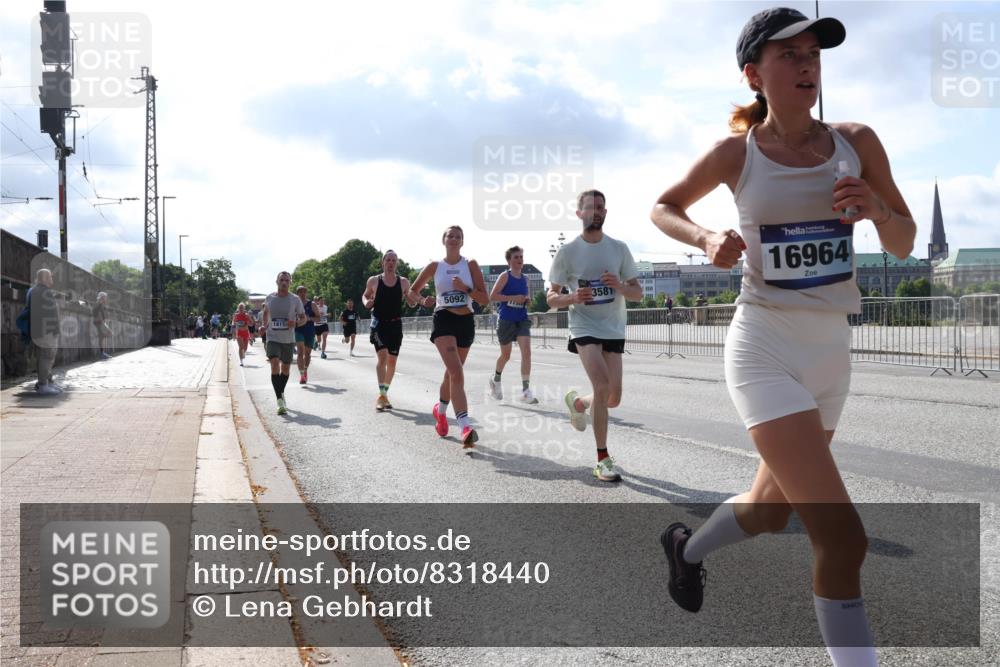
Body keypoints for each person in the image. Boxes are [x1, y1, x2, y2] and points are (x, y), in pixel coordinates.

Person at [649, 8, 916, 666]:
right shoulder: (734, 153)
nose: (806, 65)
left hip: (831, 352)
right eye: (789, 55)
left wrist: (876, 208)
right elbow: (663, 206)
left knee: (769, 512)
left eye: (813, 55)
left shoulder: (857, 141)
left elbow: (904, 240)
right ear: (753, 75)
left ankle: (685, 547)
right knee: (842, 536)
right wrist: (707, 236)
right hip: (763, 346)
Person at [547, 190, 641, 483]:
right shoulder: (567, 252)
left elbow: (637, 293)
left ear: (605, 212)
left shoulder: (619, 249)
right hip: (584, 326)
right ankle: (603, 459)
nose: (596, 211)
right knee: (601, 386)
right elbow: (551, 297)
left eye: (601, 207)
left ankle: (578, 404)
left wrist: (620, 286)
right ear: (580, 213)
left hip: (613, 326)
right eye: (591, 207)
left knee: (612, 397)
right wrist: (572, 296)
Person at [408, 226, 488, 448]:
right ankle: (464, 425)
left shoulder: (470, 264)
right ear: (443, 240)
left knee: (451, 374)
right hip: (443, 319)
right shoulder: (435, 266)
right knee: (456, 372)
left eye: (458, 237)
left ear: (462, 242)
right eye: (450, 236)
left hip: (465, 321)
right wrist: (423, 300)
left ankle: (441, 411)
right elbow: (411, 293)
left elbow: (484, 298)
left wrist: (465, 289)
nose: (453, 239)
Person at [363, 250, 426, 412]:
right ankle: (381, 396)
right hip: (379, 324)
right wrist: (366, 303)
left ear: (396, 263)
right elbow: (365, 296)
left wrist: (415, 302)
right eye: (388, 260)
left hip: (395, 325)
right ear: (383, 262)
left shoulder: (404, 282)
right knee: (382, 357)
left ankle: (384, 395)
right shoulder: (374, 281)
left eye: (394, 260)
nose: (391, 263)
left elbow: (411, 301)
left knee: (392, 362)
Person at [488, 246, 539, 404]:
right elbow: (493, 296)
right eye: (516, 257)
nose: (519, 260)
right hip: (506, 319)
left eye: (521, 257)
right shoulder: (505, 276)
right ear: (509, 260)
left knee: (527, 352)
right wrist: (512, 297)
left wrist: (527, 300)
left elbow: (526, 297)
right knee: (506, 355)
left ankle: (525, 390)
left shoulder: (526, 279)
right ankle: (496, 379)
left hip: (522, 318)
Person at [263, 272, 307, 414]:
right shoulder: (270, 298)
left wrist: (296, 323)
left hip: (288, 339)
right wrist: (264, 325)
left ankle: (280, 393)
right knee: (275, 363)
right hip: (272, 337)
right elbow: (265, 312)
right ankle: (279, 401)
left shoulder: (295, 299)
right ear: (276, 281)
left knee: (286, 369)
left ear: (290, 282)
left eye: (287, 280)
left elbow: (303, 318)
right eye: (281, 280)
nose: (284, 282)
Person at [28, 268, 62, 395]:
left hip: (45, 331)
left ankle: (47, 382)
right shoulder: (40, 291)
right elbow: (43, 313)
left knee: (47, 357)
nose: (52, 279)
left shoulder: (39, 290)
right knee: (46, 357)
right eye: (50, 277)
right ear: (44, 278)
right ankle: (43, 385)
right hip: (45, 332)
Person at [294, 285, 319, 384]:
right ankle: (301, 375)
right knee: (300, 352)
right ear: (297, 294)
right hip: (299, 330)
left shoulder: (312, 304)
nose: (303, 293)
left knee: (307, 354)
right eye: (300, 292)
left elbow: (318, 318)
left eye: (304, 291)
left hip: (309, 330)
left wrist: (309, 318)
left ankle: (305, 370)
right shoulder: (294, 304)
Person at [92, 291, 112, 360]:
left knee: (102, 337)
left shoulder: (99, 304)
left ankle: (102, 353)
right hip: (99, 323)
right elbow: (98, 314)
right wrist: (104, 324)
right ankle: (102, 353)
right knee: (106, 335)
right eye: (105, 297)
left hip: (100, 322)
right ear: (102, 298)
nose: (106, 299)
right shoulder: (98, 304)